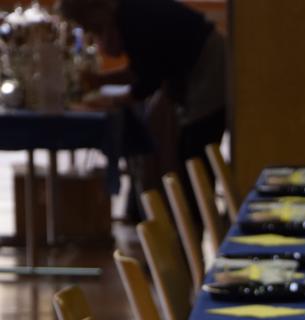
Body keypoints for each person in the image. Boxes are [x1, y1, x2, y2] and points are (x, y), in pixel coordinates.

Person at [58, 0, 226, 200]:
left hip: (207, 70)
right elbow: (140, 70)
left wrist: (116, 99)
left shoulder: (131, 17)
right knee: (190, 153)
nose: (88, 30)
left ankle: (198, 212)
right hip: (200, 69)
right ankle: (192, 209)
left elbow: (148, 79)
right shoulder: (125, 14)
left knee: (196, 152)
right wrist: (100, 81)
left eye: (86, 25)